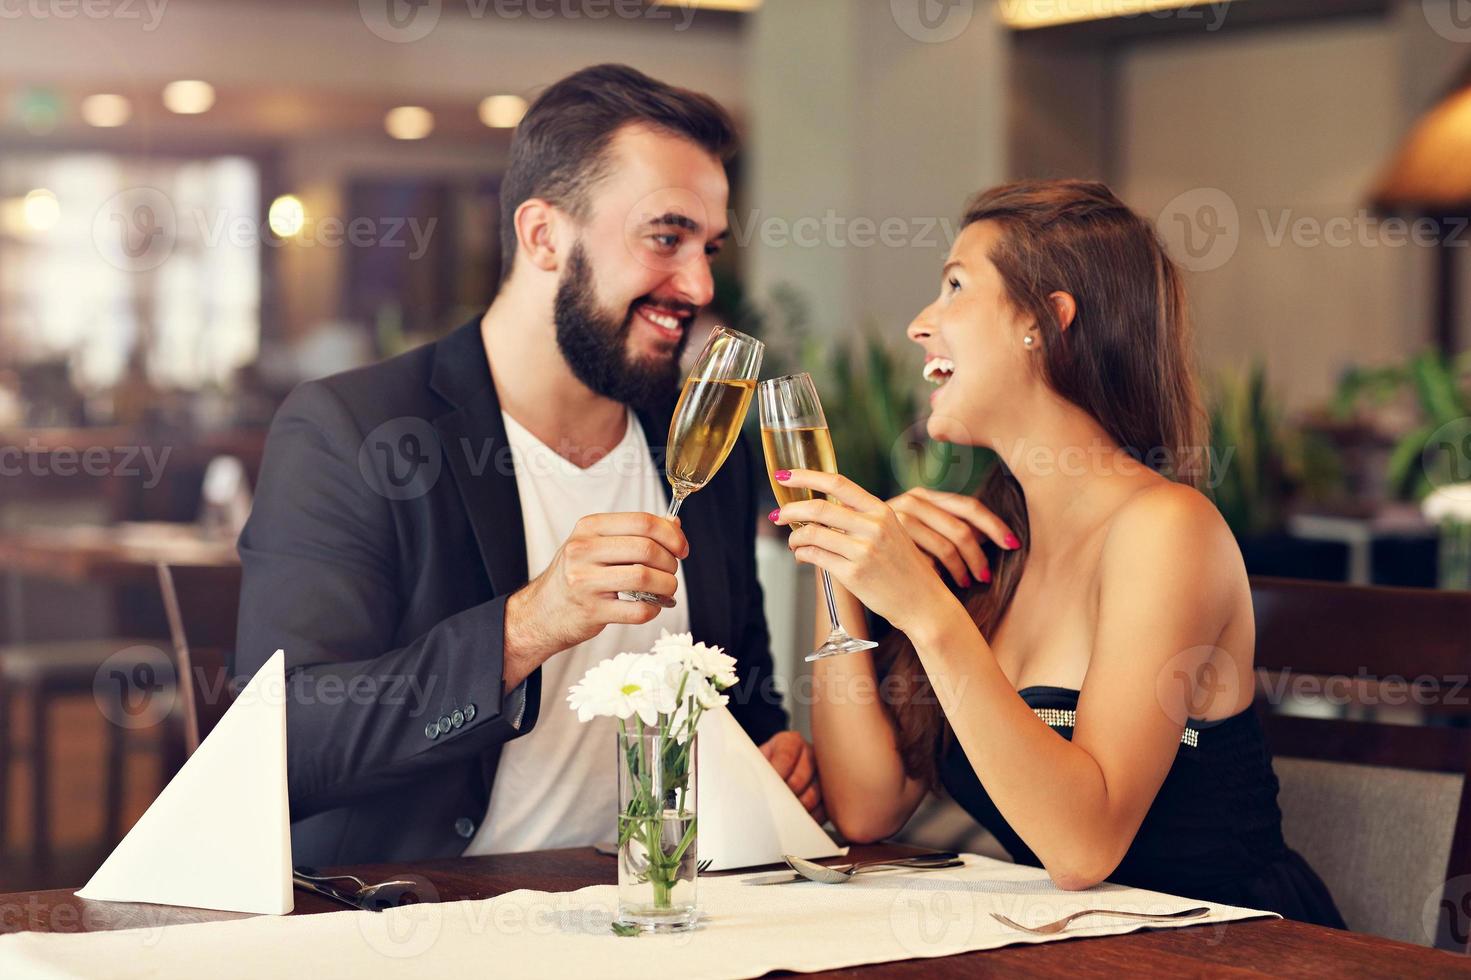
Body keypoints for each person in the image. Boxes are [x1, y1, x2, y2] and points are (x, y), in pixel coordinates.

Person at [237, 64, 819, 867]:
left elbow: (742, 696)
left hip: (665, 919)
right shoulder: (352, 428)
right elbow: (283, 746)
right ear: (543, 235)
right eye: (665, 236)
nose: (698, 283)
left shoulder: (702, 445)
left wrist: (771, 759)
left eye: (708, 248)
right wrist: (528, 626)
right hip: (426, 922)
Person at [772, 180, 1343, 927]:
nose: (919, 325)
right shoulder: (994, 546)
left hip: (1230, 951)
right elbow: (868, 808)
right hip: (1071, 948)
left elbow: (1082, 848)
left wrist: (924, 608)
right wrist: (840, 567)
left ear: (1046, 320)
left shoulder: (1167, 529)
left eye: (953, 286)